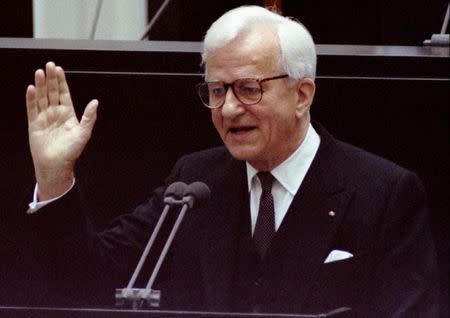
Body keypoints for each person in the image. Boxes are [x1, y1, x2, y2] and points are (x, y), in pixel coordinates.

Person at [24, 5, 438, 316]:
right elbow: (90, 281)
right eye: (217, 91)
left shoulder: (384, 194)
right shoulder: (194, 184)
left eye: (248, 88)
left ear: (302, 94)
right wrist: (55, 176)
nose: (229, 109)